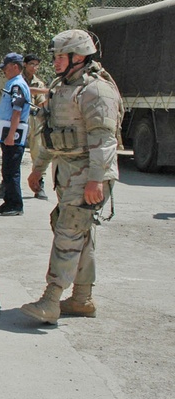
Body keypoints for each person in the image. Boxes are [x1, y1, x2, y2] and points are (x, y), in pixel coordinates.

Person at [21, 29, 122, 324]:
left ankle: (51, 299)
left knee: (69, 230)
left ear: (78, 57)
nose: (55, 62)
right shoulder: (60, 87)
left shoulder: (96, 91)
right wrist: (39, 168)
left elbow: (105, 140)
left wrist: (96, 180)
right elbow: (51, 133)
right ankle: (81, 299)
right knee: (80, 232)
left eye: (60, 56)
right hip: (66, 170)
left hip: (88, 171)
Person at [0, 52, 31, 216]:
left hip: (13, 134)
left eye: (6, 68)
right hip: (8, 131)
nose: (4, 71)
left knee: (11, 170)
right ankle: (8, 201)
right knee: (7, 169)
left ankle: (15, 204)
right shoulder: (13, 83)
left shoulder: (17, 85)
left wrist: (10, 135)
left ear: (15, 67)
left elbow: (17, 111)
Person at [23, 53, 50, 200]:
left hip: (33, 119)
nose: (34, 67)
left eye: (36, 64)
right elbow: (24, 91)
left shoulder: (38, 83)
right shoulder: (17, 80)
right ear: (25, 64)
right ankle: (6, 185)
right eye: (31, 64)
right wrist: (47, 92)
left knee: (37, 152)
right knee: (13, 152)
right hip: (19, 118)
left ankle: (39, 186)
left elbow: (41, 103)